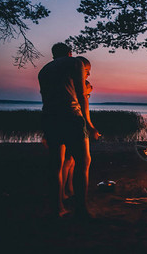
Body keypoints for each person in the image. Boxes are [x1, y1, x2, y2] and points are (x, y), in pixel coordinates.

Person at [38, 43, 100, 218]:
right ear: (70, 53)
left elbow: (47, 96)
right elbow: (80, 95)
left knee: (55, 166)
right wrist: (89, 123)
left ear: (53, 55)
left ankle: (57, 209)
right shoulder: (74, 63)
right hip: (71, 117)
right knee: (83, 161)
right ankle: (81, 209)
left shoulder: (44, 70)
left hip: (49, 118)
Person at [62, 56, 93, 200]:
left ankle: (68, 189)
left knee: (70, 160)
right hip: (73, 120)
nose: (88, 73)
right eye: (86, 70)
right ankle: (66, 194)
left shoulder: (65, 81)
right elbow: (81, 97)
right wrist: (89, 125)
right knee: (72, 160)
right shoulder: (78, 84)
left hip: (59, 119)